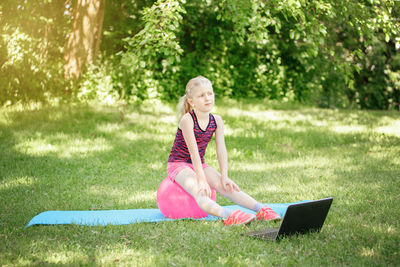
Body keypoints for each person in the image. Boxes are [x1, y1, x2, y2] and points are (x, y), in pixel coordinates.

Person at [166, 76, 281, 225]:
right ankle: (227, 215)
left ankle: (261, 209)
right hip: (179, 164)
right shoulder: (187, 120)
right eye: (201, 95)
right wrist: (201, 180)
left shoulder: (217, 120)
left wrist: (224, 176)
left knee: (225, 186)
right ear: (191, 101)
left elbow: (221, 149)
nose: (207, 98)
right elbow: (193, 152)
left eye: (210, 93)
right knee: (200, 191)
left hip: (199, 164)